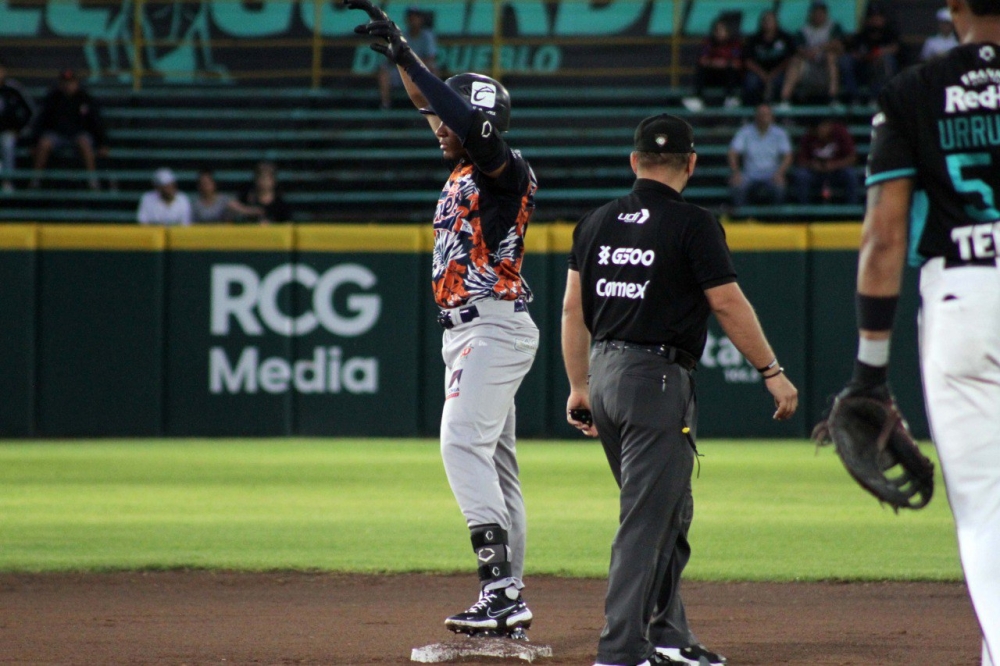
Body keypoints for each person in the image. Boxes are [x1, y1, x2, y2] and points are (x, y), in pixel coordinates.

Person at [561, 113, 798, 666]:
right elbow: (726, 301)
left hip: (606, 375)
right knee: (646, 521)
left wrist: (579, 387)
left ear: (633, 161)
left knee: (670, 512)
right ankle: (621, 650)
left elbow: (574, 309)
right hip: (655, 381)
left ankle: (669, 635)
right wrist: (771, 370)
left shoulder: (593, 222)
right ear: (691, 163)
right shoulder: (693, 223)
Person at [351, 0, 540, 640]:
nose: (434, 123)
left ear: (480, 123)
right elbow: (439, 108)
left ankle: (498, 591)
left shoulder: (503, 170)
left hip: (492, 326)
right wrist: (404, 53)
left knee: (459, 443)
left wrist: (409, 56)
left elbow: (462, 118)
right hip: (470, 331)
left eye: (448, 116)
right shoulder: (465, 164)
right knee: (498, 466)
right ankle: (509, 599)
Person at [839, 0, 1000, 662]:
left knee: (989, 513)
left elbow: (884, 234)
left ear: (955, 6)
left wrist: (870, 373)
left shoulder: (913, 90)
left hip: (966, 296)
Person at [31, 68, 108, 190]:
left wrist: (102, 144)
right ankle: (36, 179)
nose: (68, 85)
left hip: (78, 134)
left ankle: (92, 179)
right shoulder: (53, 98)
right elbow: (41, 122)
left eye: (71, 82)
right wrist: (34, 143)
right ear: (60, 83)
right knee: (44, 143)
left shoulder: (84, 98)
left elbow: (96, 122)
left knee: (85, 143)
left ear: (76, 83)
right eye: (65, 82)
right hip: (57, 134)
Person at [779, 1, 854, 107]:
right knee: (796, 61)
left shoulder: (833, 27)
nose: (818, 15)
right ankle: (785, 100)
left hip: (828, 69)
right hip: (809, 67)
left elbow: (839, 45)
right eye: (816, 12)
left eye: (821, 12)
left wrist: (819, 49)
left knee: (830, 56)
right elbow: (798, 48)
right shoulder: (803, 30)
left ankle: (833, 98)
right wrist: (808, 53)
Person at [727, 103, 792, 207]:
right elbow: (733, 152)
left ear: (772, 117)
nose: (763, 117)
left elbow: (788, 156)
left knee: (780, 187)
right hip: (750, 174)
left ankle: (775, 218)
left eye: (766, 114)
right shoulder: (745, 132)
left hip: (772, 174)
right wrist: (736, 172)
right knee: (737, 185)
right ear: (756, 116)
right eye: (761, 114)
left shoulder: (779, 133)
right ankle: (743, 218)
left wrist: (780, 173)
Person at [377, 7, 437, 110]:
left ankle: (434, 104)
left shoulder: (427, 35)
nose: (413, 19)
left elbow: (430, 58)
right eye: (411, 17)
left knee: (433, 69)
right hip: (402, 70)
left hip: (419, 70)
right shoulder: (400, 35)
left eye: (416, 17)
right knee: (384, 71)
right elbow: (392, 58)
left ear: (421, 19)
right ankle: (385, 105)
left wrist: (413, 64)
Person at [790, 118, 859, 205]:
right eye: (818, 128)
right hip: (815, 172)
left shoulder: (840, 132)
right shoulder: (809, 135)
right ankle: (804, 209)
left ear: (829, 126)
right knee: (801, 175)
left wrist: (835, 165)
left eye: (824, 127)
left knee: (850, 174)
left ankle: (851, 208)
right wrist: (812, 165)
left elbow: (852, 157)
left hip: (837, 171)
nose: (821, 130)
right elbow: (801, 159)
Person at [683, 18, 743, 112]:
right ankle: (697, 98)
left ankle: (730, 98)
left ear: (727, 32)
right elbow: (702, 61)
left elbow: (736, 64)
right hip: (711, 77)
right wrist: (721, 63)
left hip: (726, 78)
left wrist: (719, 63)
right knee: (701, 69)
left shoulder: (734, 44)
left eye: (721, 30)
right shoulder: (709, 43)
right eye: (716, 30)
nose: (718, 33)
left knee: (731, 70)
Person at [847, 3, 900, 104]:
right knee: (846, 61)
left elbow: (895, 48)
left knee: (887, 60)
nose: (875, 20)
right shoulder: (862, 35)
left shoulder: (889, 33)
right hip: (864, 70)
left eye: (878, 17)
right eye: (872, 17)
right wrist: (866, 57)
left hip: (883, 73)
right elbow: (854, 52)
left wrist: (879, 53)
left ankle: (879, 98)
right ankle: (854, 97)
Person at [742, 11, 796, 106]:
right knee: (750, 82)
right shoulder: (754, 39)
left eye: (770, 21)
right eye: (765, 20)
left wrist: (772, 75)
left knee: (784, 80)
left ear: (776, 22)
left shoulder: (785, 37)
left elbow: (790, 59)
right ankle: (749, 111)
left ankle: (783, 106)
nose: (767, 23)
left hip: (779, 72)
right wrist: (763, 75)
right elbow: (748, 61)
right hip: (758, 73)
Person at [0, 59, 35, 193]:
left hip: (7, 131)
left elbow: (30, 112)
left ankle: (7, 181)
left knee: (7, 143)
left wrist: (19, 130)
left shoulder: (13, 88)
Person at [192, 169, 260, 223]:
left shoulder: (223, 200)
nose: (205, 186)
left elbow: (242, 209)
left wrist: (256, 211)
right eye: (203, 183)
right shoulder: (196, 204)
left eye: (207, 183)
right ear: (199, 186)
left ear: (213, 184)